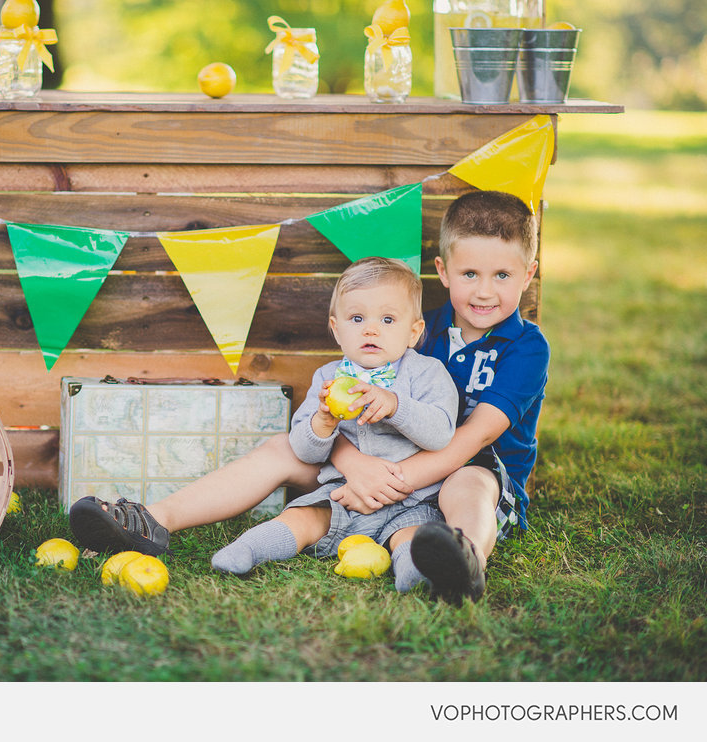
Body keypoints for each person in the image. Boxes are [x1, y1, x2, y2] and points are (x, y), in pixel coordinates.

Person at [69, 190, 548, 605]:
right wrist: (354, 464)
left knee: (471, 482)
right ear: (443, 271)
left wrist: (386, 482)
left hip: (470, 471)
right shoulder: (418, 324)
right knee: (282, 447)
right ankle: (154, 520)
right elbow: (356, 402)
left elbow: (469, 439)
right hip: (374, 460)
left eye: (502, 276)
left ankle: (461, 559)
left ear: (528, 273)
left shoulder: (527, 347)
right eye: (471, 274)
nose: (484, 292)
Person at [210, 257, 457, 591]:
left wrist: (396, 406)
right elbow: (302, 449)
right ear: (337, 329)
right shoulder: (328, 378)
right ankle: (249, 548)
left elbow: (442, 433)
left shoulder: (427, 373)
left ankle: (412, 574)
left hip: (411, 501)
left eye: (387, 319)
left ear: (413, 332)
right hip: (342, 494)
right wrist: (324, 421)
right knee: (302, 517)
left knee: (412, 537)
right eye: (357, 318)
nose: (371, 329)